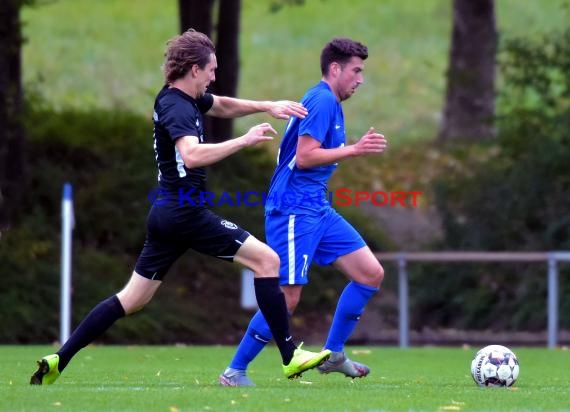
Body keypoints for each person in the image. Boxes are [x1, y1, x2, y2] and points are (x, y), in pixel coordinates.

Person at [30, 29, 331, 386]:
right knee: (268, 261)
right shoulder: (176, 106)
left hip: (166, 214)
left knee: (132, 299)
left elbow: (220, 104)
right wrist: (244, 139)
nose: (214, 76)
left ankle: (57, 359)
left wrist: (267, 105)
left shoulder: (183, 98)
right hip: (186, 213)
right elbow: (191, 154)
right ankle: (289, 356)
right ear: (193, 69)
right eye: (211, 70)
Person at [219, 37, 387, 387]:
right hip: (294, 209)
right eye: (356, 71)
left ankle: (335, 354)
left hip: (316, 208)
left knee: (369, 273)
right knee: (288, 296)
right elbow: (306, 155)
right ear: (336, 68)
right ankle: (235, 371)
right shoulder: (324, 100)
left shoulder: (330, 102)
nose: (360, 79)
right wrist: (355, 150)